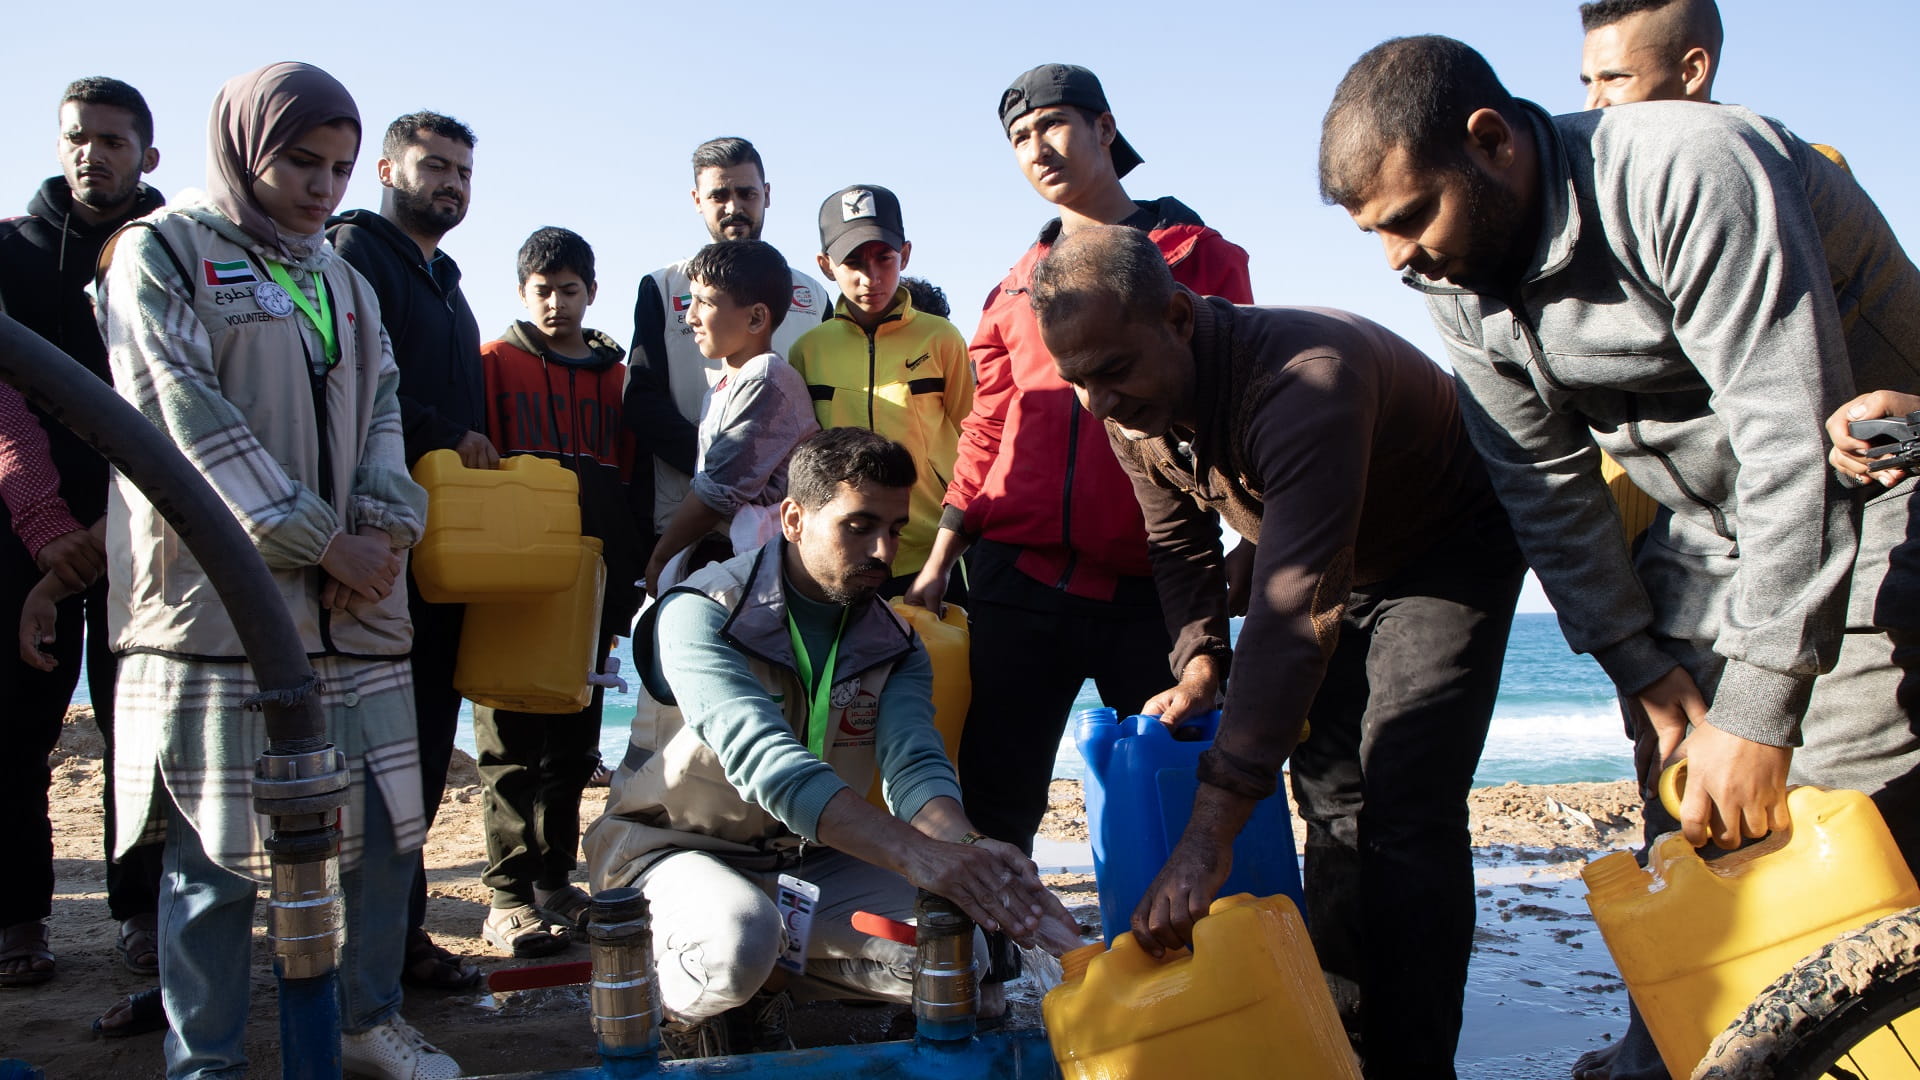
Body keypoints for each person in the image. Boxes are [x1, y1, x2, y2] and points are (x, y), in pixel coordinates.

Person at [1319, 36, 1920, 1072]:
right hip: (1711, 517)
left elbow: (1791, 434)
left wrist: (1762, 697)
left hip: (1878, 478)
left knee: (1825, 791)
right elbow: (1542, 485)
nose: (1398, 260)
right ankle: (1680, 1052)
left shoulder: (1691, 171)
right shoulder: (1456, 278)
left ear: (1492, 142)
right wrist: (1638, 664)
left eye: (1411, 218)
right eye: (1375, 234)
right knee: (1687, 805)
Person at [1030, 224, 1523, 1076]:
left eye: (1112, 372)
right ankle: (1337, 1039)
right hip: (1325, 546)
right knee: (1330, 796)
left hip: (1446, 547)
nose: (1099, 403)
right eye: (1077, 381)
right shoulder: (1126, 405)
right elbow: (1179, 547)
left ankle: (1414, 1064)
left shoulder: (1305, 380)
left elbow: (1296, 618)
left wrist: (1207, 835)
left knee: (1405, 802)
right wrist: (1200, 664)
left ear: (1179, 317)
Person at [94, 61, 457, 1079]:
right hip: (215, 614)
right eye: (301, 161)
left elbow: (384, 410)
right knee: (215, 861)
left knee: (386, 833)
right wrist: (312, 537)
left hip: (357, 611)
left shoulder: (345, 277)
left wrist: (384, 534)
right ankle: (205, 1058)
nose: (323, 187)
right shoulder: (161, 253)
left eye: (340, 168)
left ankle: (368, 1021)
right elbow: (178, 417)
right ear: (245, 147)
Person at [583, 427, 1076, 1059]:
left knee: (957, 954)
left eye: (896, 530)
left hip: (807, 860)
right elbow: (769, 765)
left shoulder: (895, 641)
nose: (882, 551)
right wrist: (920, 859)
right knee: (733, 943)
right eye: (859, 525)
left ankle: (771, 980)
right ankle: (685, 1000)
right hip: (672, 851)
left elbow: (917, 770)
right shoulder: (701, 612)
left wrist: (975, 851)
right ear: (792, 518)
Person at [903, 60, 1252, 881]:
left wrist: (1255, 544)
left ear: (1104, 128)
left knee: (1179, 783)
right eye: (1019, 137)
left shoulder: (1196, 256)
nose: (1037, 148)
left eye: (1054, 124)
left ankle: (1202, 972)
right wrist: (937, 563)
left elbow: (1238, 400)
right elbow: (989, 428)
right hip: (1016, 581)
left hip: (1154, 578)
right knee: (995, 795)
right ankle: (981, 969)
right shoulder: (1012, 285)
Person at [0, 75, 168, 1028]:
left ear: (148, 154)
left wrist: (120, 517)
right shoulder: (9, 254)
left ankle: (142, 909)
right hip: (24, 525)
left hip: (145, 520)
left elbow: (169, 397)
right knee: (14, 723)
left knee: (137, 726)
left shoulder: (170, 251)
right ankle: (19, 914)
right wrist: (46, 529)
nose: (90, 153)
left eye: (112, 140)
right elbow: (3, 396)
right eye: (77, 137)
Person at [328, 108, 487, 993]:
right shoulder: (356, 257)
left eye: (463, 170)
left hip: (439, 554)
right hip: (368, 546)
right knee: (375, 755)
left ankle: (401, 937)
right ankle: (369, 950)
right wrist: (447, 434)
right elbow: (362, 393)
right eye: (434, 166)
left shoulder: (446, 282)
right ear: (386, 170)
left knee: (423, 745)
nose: (451, 183)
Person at [474, 225, 640, 956]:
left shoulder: (616, 378)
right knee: (508, 740)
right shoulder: (493, 361)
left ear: (590, 293)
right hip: (511, 580)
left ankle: (555, 883)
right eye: (542, 289)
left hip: (590, 583)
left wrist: (631, 580)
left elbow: (633, 480)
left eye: (569, 289)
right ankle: (508, 895)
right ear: (522, 291)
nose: (556, 302)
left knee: (572, 743)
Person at [623, 137, 829, 553]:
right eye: (719, 194)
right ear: (697, 200)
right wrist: (722, 470)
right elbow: (641, 399)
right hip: (686, 518)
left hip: (786, 526)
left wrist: (751, 475)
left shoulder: (814, 295)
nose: (734, 206)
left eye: (746, 193)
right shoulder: (663, 288)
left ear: (767, 196)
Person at [788, 185, 973, 599]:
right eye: (852, 262)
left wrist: (953, 542)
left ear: (904, 255)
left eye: (884, 259)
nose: (869, 277)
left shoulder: (942, 339)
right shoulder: (807, 350)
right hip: (841, 559)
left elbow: (974, 442)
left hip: (930, 556)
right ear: (824, 265)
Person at [644, 240, 819, 595]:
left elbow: (719, 491)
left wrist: (660, 558)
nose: (690, 316)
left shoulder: (765, 379)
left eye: (704, 302)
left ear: (756, 317)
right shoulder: (726, 384)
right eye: (690, 299)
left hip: (765, 571)